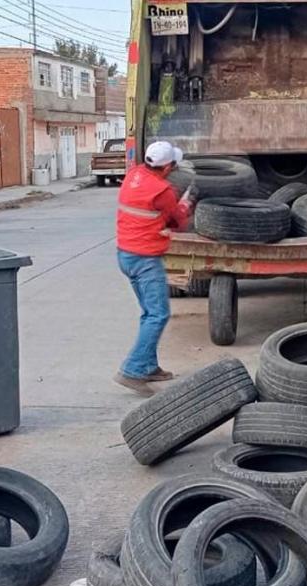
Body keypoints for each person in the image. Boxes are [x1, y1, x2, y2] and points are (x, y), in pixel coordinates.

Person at [114, 140, 195, 397]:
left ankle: (149, 366)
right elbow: (178, 221)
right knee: (158, 314)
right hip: (145, 259)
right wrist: (187, 203)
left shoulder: (133, 175)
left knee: (149, 313)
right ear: (168, 167)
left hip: (125, 254)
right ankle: (133, 369)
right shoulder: (162, 191)